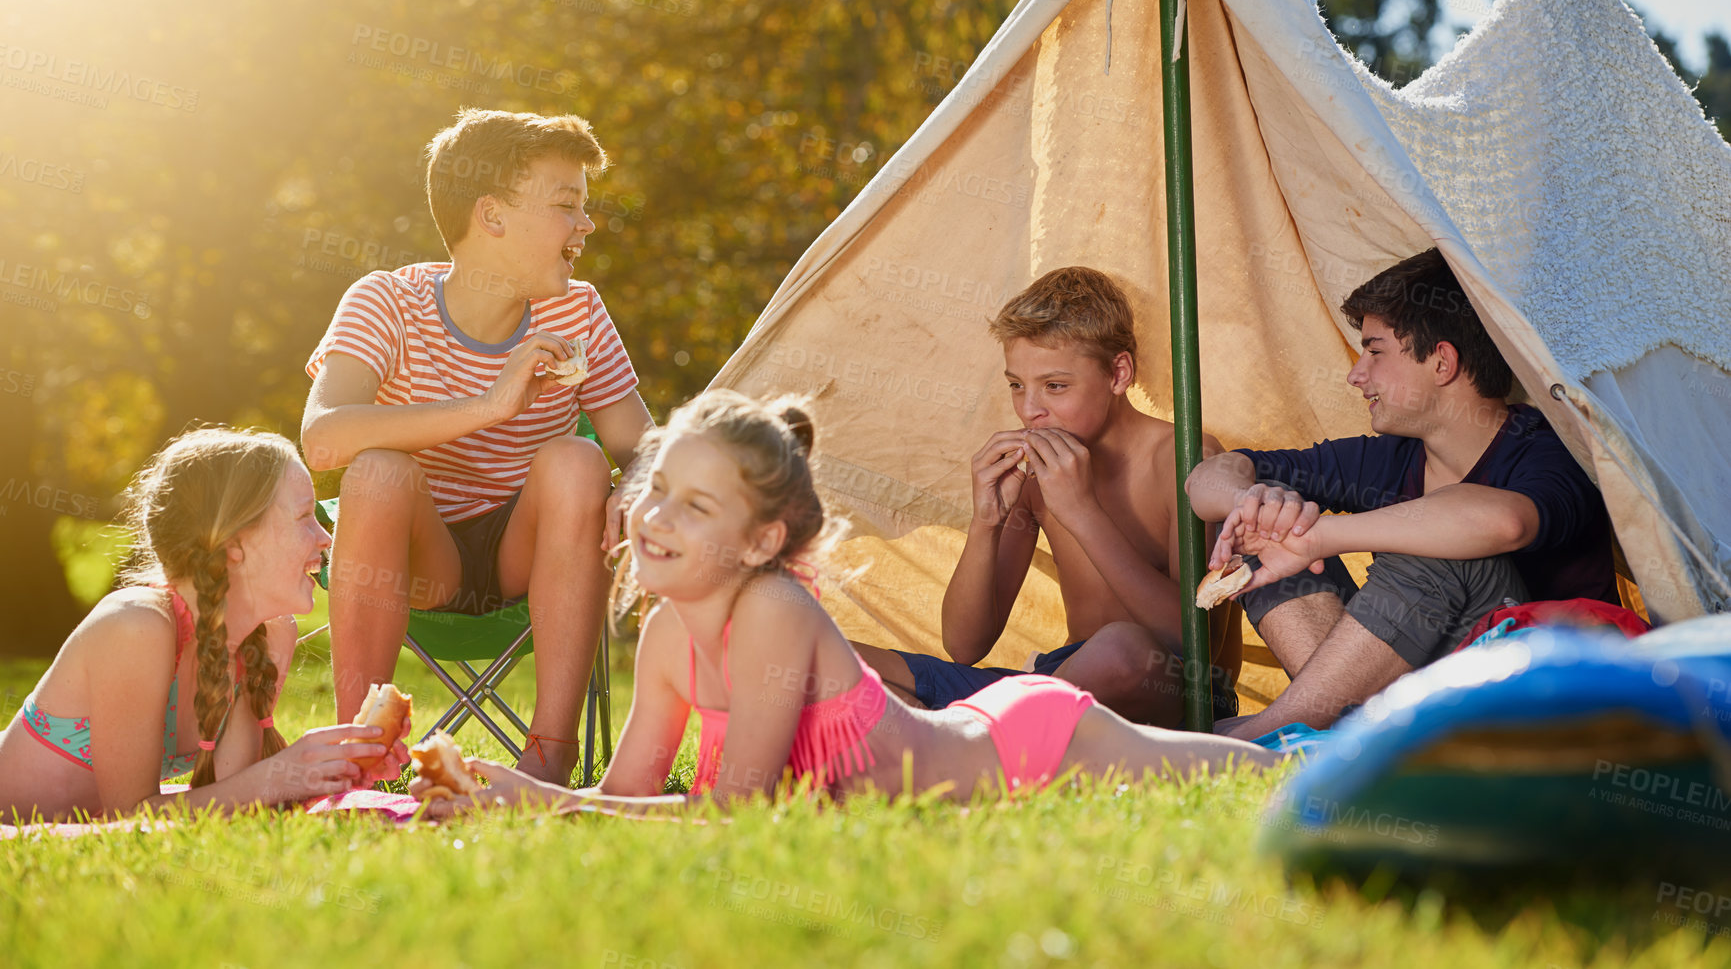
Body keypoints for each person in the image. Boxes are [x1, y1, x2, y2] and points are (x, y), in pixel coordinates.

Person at [413, 391, 1273, 815]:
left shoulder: (773, 613)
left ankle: (1345, 743)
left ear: (758, 545)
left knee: (1267, 774)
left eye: (696, 506)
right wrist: (502, 804)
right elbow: (624, 792)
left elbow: (734, 818)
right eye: (657, 488)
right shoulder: (669, 634)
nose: (655, 518)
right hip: (983, 720)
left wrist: (538, 798)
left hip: (1030, 747)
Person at [302, 108, 653, 786]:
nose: (585, 224)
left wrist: (639, 486)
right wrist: (489, 404)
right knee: (376, 470)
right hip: (420, 557)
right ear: (491, 216)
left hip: (530, 556)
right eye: (566, 206)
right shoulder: (385, 302)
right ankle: (360, 756)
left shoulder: (576, 312)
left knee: (579, 461)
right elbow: (322, 440)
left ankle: (548, 759)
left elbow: (641, 450)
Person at [1185, 249, 1616, 741]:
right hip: (1421, 708)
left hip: (1546, 708)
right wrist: (1253, 505)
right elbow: (1205, 480)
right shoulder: (1391, 457)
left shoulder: (1549, 447)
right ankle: (1346, 735)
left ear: (1441, 362)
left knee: (1439, 547)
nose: (1356, 374)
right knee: (1261, 514)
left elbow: (1505, 522)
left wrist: (1320, 536)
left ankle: (1256, 739)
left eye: (1374, 351)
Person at [850, 267, 1241, 725]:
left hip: (1174, 689)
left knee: (1120, 647)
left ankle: (973, 734)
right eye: (1016, 385)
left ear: (1118, 373)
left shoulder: (1186, 459)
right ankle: (991, 729)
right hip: (1062, 681)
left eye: (1055, 386)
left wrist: (1081, 511)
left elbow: (1191, 642)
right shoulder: (1036, 475)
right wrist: (986, 522)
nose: (1030, 409)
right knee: (833, 658)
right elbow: (964, 644)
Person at [0, 428, 405, 823]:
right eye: (304, 517)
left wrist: (332, 771)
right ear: (233, 543)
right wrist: (280, 773)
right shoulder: (136, 627)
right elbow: (129, 817)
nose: (326, 539)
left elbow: (232, 800)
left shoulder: (270, 634)